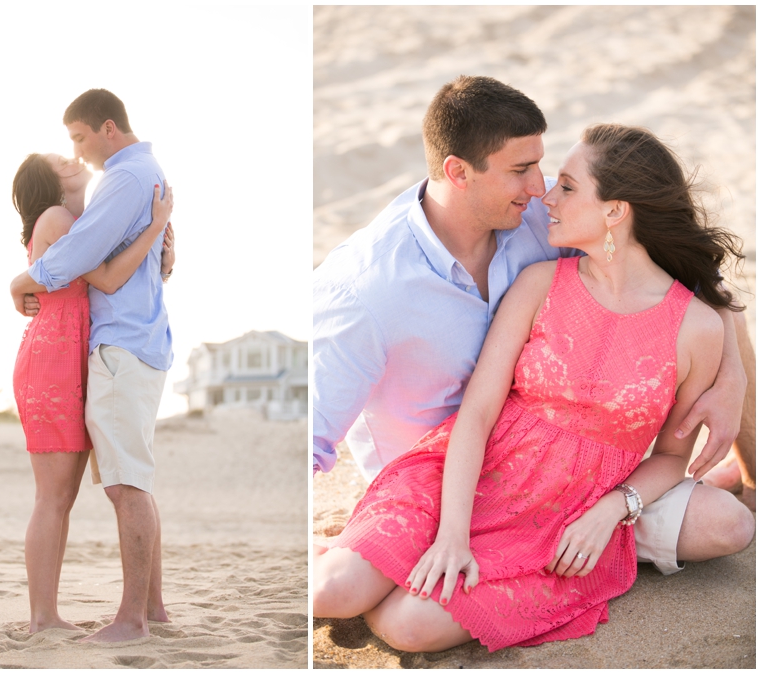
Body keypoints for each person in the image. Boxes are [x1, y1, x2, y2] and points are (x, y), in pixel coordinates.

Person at [313, 123, 749, 652]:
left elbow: (671, 456)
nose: (546, 195)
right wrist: (451, 536)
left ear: (616, 211)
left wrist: (611, 510)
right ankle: (361, 557)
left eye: (566, 186)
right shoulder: (540, 282)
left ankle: (384, 568)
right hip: (471, 473)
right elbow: (476, 414)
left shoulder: (696, 327)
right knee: (331, 593)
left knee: (407, 627)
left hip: (571, 511)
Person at [10, 88, 174, 642]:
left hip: (92, 354)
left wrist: (159, 241)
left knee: (117, 486)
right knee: (61, 496)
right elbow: (97, 272)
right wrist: (19, 282)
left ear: (107, 128)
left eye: (77, 141)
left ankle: (141, 613)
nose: (75, 156)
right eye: (64, 153)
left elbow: (104, 270)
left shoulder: (123, 185)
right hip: (60, 360)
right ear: (50, 187)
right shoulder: (65, 214)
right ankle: (45, 617)